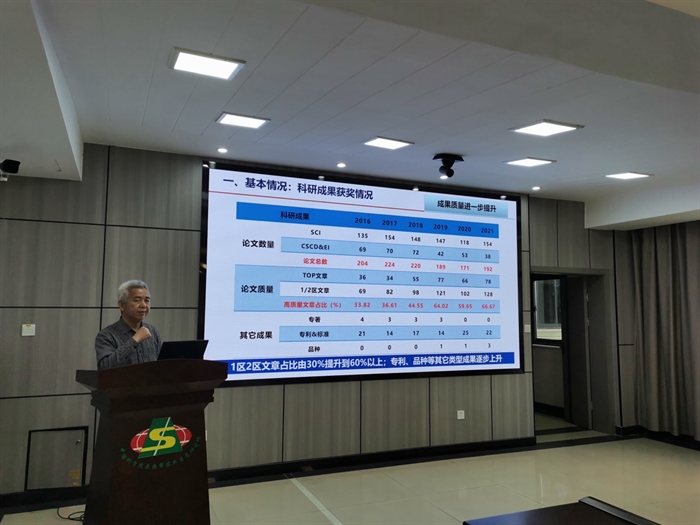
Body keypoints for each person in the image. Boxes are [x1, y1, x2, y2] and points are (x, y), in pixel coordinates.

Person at [95, 280, 162, 369]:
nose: (143, 305)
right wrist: (135, 340)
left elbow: (161, 366)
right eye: (137, 300)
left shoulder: (153, 331)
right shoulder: (106, 335)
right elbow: (105, 367)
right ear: (122, 305)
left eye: (147, 300)